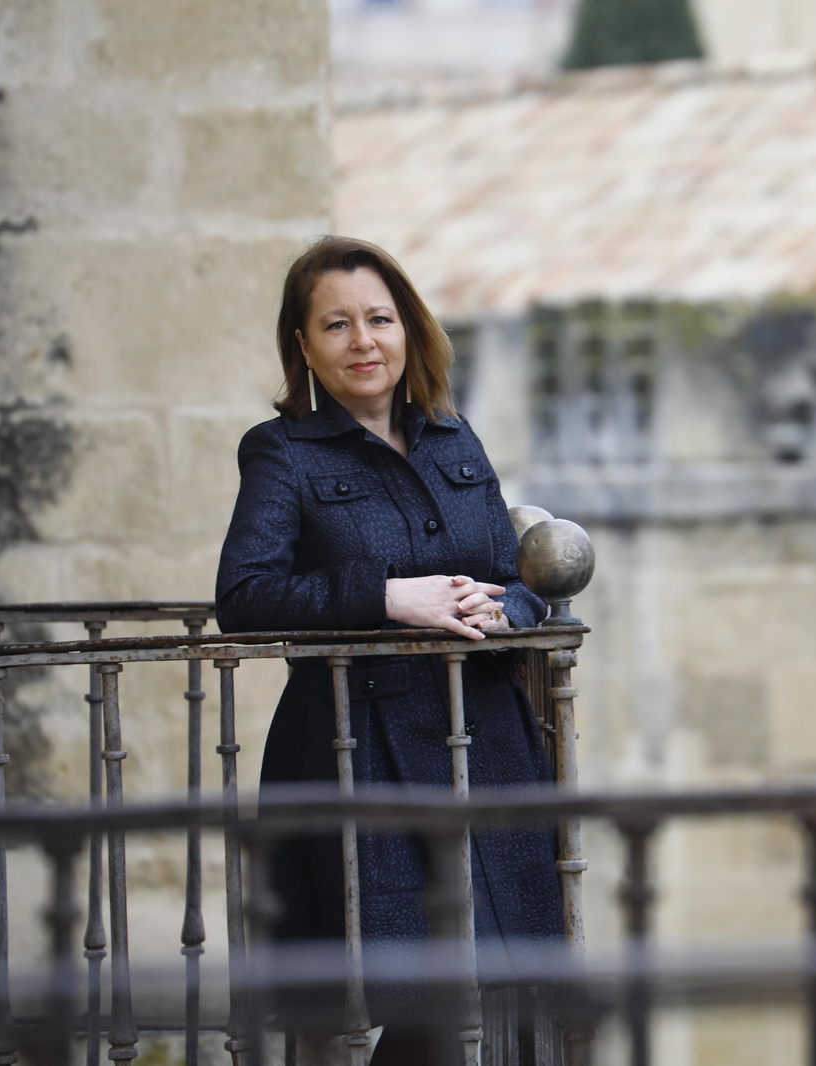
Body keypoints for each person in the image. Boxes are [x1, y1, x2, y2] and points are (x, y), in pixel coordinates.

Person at [215, 236, 561, 1063]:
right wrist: (381, 597)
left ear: (409, 329)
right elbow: (244, 596)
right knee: (402, 1002)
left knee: (490, 988)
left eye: (379, 318)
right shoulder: (282, 451)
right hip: (359, 757)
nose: (363, 341)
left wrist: (510, 604)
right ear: (302, 346)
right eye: (336, 325)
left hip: (484, 746)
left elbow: (520, 572)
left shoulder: (452, 437)